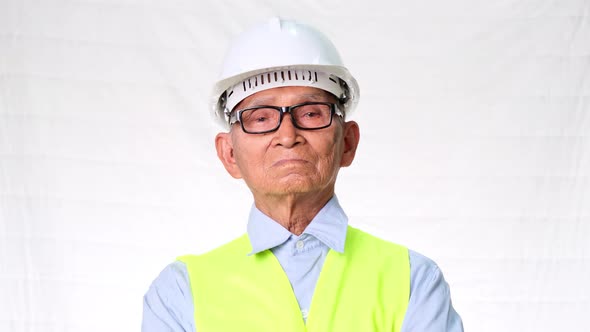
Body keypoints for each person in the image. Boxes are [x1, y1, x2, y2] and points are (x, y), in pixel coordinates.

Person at [142, 17, 463, 331]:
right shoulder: (181, 293)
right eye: (261, 118)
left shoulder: (412, 281)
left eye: (311, 113)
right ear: (229, 154)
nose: (287, 134)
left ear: (348, 142)